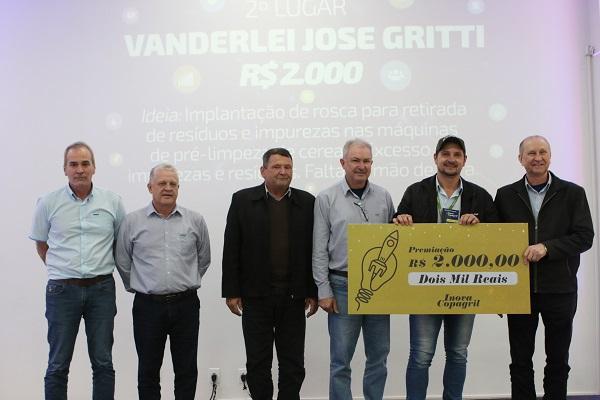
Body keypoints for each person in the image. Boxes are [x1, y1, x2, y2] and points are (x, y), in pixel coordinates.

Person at [394, 135, 497, 400]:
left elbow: (497, 237)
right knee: (421, 355)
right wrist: (400, 219)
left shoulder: (480, 196)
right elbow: (396, 229)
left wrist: (480, 225)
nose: (451, 159)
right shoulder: (415, 191)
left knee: (458, 354)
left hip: (464, 288)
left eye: (457, 154)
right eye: (445, 154)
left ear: (465, 160)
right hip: (424, 288)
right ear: (435, 158)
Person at [494, 135, 594, 399]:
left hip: (560, 289)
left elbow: (585, 237)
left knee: (558, 360)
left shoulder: (573, 193)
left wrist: (547, 248)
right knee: (520, 361)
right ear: (520, 159)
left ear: (550, 156)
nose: (537, 158)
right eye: (531, 153)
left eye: (542, 152)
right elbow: (494, 242)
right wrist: (498, 293)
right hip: (519, 292)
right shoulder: (505, 195)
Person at [29, 141, 125, 400]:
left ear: (94, 167)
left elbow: (120, 243)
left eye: (85, 164)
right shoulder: (47, 203)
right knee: (58, 364)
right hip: (62, 291)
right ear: (65, 169)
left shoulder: (113, 202)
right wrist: (63, 270)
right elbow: (41, 245)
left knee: (103, 363)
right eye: (73, 164)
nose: (79, 170)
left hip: (101, 290)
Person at [222, 148, 317, 400]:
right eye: (276, 167)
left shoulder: (307, 202)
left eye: (287, 167)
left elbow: (314, 250)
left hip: (294, 297)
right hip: (255, 297)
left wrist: (313, 290)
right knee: (257, 362)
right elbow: (231, 247)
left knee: (293, 363)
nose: (283, 171)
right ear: (263, 171)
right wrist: (231, 291)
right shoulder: (242, 200)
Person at [115, 163, 211, 400]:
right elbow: (123, 261)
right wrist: (140, 286)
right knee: (148, 370)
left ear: (178, 188)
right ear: (150, 187)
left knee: (186, 369)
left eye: (173, 184)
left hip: (186, 305)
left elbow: (204, 259)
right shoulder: (132, 221)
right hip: (148, 306)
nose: (168, 188)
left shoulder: (195, 220)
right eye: (162, 183)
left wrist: (185, 281)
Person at [312, 138, 395, 400]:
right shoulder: (326, 198)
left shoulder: (383, 196)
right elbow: (319, 248)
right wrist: (323, 290)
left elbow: (395, 242)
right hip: (341, 286)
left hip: (378, 288)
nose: (361, 166)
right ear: (343, 163)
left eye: (366, 161)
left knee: (379, 357)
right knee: (341, 360)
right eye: (355, 160)